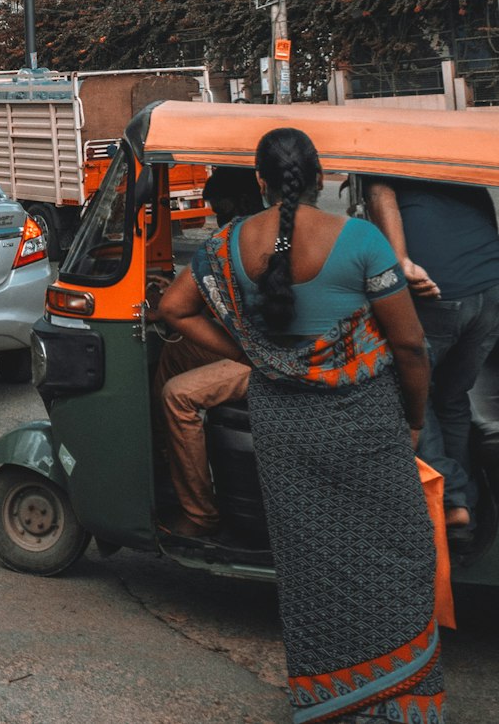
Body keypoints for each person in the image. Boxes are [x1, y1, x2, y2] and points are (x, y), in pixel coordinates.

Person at [153, 128, 444, 724]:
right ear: (319, 179)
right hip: (365, 424)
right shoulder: (360, 239)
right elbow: (410, 346)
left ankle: (333, 701)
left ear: (260, 182)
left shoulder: (228, 244)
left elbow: (172, 308)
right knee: (402, 554)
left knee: (313, 564)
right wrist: (413, 419)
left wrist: (250, 353)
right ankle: (397, 701)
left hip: (284, 425)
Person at [365, 176, 499, 544]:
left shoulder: (383, 158)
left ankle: (453, 498)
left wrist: (401, 260)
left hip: (438, 289)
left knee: (412, 393)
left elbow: (380, 193)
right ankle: (464, 514)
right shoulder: (442, 157)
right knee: (452, 398)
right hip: (490, 286)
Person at [151, 167, 263, 539]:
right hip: (257, 345)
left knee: (177, 397)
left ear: (237, 203)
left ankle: (200, 514)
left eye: (219, 207)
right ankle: (173, 457)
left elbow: (176, 309)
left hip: (268, 359)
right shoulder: (254, 232)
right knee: (179, 351)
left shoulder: (236, 239)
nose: (216, 215)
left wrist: (166, 301)